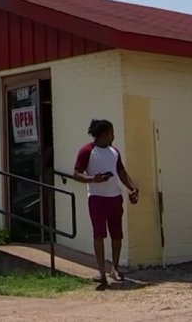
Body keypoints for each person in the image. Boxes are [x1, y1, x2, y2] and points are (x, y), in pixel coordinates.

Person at [73, 119, 140, 285]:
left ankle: (114, 268)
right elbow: (76, 173)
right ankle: (101, 272)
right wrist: (93, 179)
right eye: (111, 132)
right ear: (103, 134)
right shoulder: (87, 150)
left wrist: (133, 188)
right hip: (96, 198)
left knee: (117, 234)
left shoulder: (114, 151)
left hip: (115, 198)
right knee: (99, 234)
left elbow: (121, 172)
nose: (113, 135)